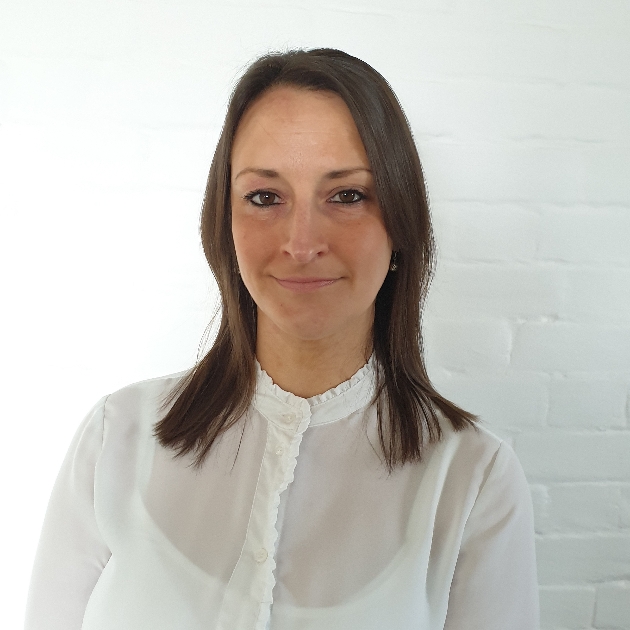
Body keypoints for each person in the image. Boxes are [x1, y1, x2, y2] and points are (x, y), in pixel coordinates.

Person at [25, 48, 539, 630]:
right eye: (264, 198)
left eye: (347, 195)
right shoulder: (117, 438)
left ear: (400, 219)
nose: (301, 242)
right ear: (225, 220)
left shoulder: (472, 478)